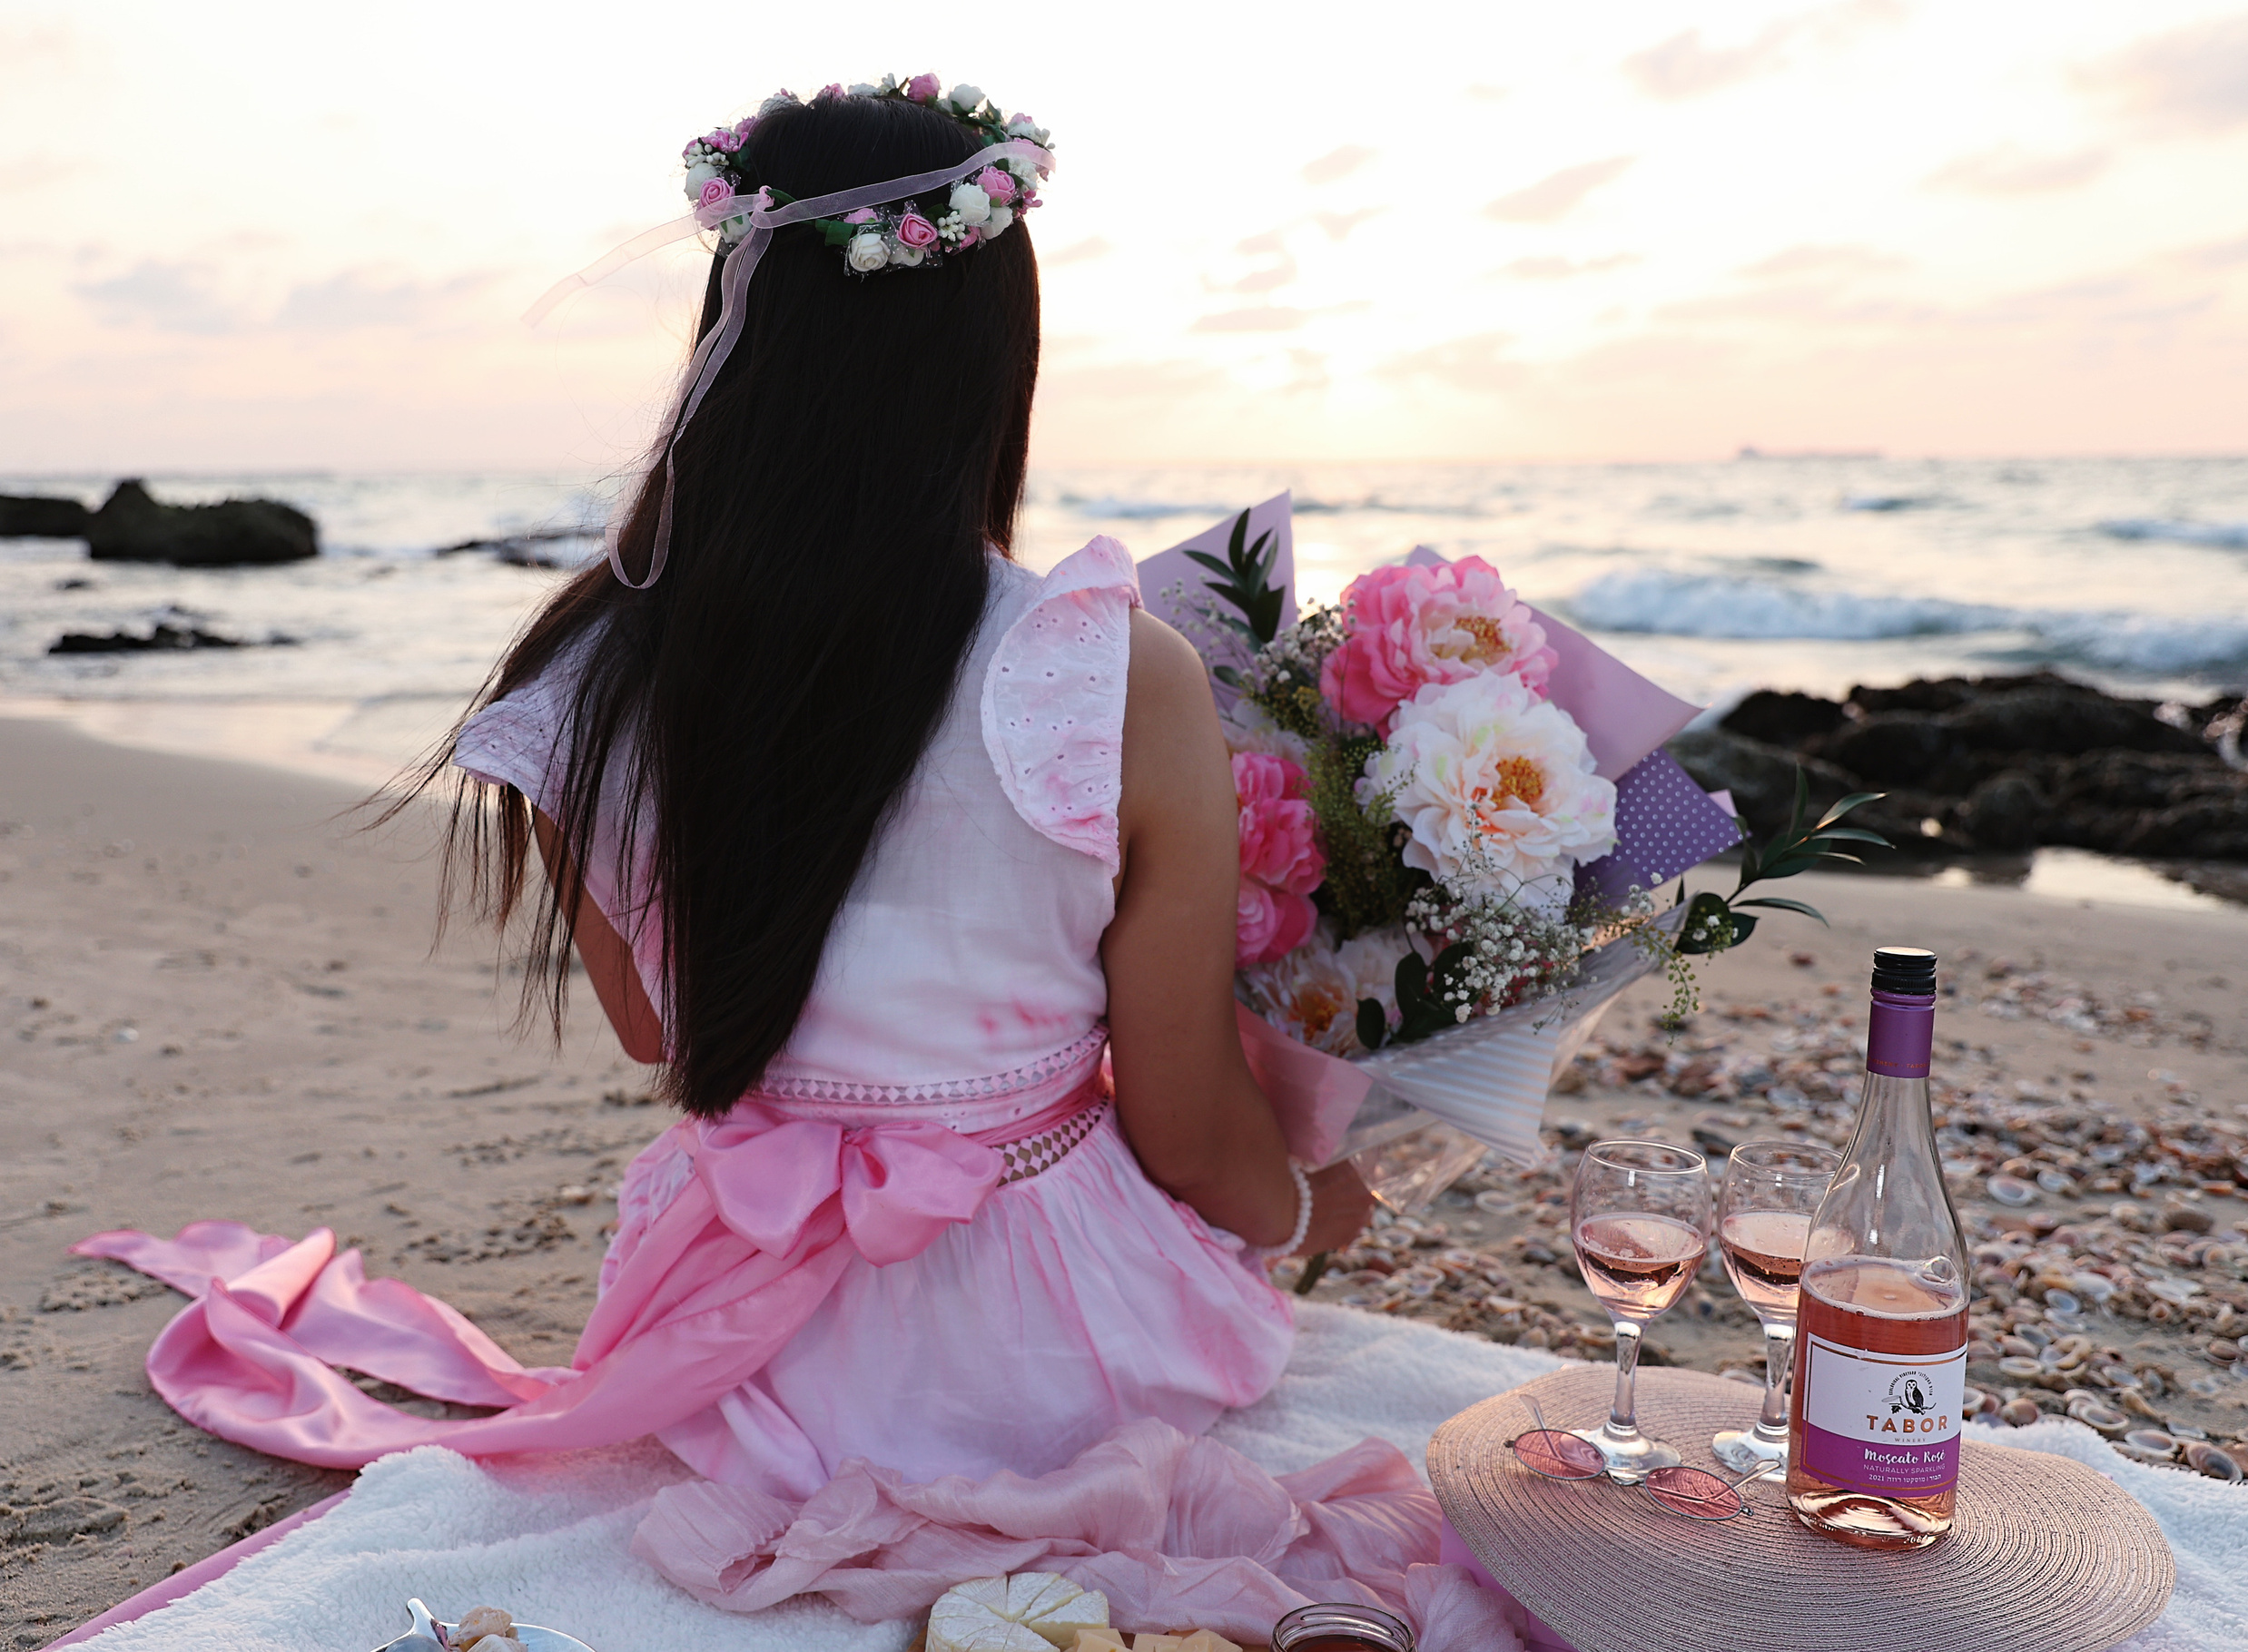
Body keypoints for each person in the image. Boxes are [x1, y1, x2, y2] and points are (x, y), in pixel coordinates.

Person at [78, 79, 1371, 1499]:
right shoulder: (1110, 671)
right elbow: (1185, 1128)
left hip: (747, 1348)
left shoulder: (588, 672)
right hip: (1056, 1345)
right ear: (995, 355)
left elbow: (660, 1032)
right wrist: (1312, 1204)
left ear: (735, 328)